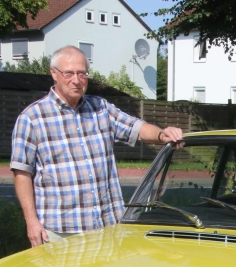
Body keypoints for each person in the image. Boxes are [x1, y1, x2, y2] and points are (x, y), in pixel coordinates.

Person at [11, 46, 183, 247]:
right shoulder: (32, 118)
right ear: (54, 74)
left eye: (82, 74)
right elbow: (21, 174)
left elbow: (136, 128)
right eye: (69, 73)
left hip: (106, 227)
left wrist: (162, 134)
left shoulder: (101, 108)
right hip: (60, 232)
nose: (76, 80)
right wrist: (31, 222)